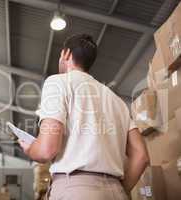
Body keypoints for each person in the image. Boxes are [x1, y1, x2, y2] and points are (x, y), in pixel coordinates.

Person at [19, 34, 150, 200]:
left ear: (66, 54)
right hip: (116, 191)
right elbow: (141, 155)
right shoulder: (116, 100)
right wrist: (121, 189)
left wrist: (30, 149)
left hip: (76, 190)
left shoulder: (58, 82)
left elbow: (47, 149)